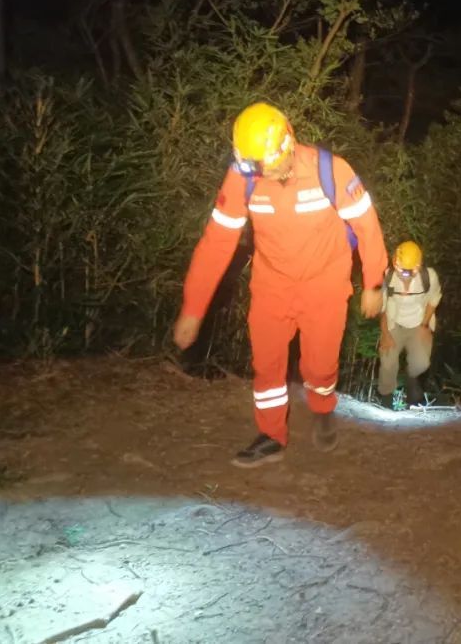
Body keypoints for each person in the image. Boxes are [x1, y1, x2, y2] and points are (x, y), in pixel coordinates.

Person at [172, 102, 389, 467]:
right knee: (267, 363)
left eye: (266, 164)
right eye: (254, 166)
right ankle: (271, 435)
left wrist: (373, 282)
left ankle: (322, 406)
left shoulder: (330, 171)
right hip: (271, 286)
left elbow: (367, 226)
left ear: (287, 144)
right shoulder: (243, 178)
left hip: (325, 286)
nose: (262, 173)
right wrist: (193, 309)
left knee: (319, 368)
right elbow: (216, 243)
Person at [378, 241, 442, 407]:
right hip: (394, 324)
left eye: (411, 270)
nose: (406, 274)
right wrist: (385, 334)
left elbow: (433, 301)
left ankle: (412, 391)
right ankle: (386, 400)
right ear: (394, 263)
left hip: (418, 323)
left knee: (421, 363)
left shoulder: (429, 277)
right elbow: (382, 308)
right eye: (402, 270)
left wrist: (424, 326)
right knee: (387, 362)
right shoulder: (388, 276)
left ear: (419, 265)